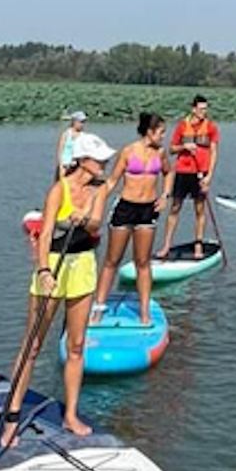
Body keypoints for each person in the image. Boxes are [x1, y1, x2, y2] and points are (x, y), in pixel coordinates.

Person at [4, 133, 116, 443]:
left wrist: (85, 217)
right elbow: (45, 232)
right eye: (100, 159)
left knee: (76, 346)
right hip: (53, 264)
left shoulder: (99, 189)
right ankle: (11, 415)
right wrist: (43, 271)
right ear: (83, 160)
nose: (105, 163)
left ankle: (70, 415)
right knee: (33, 345)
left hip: (82, 266)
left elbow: (96, 224)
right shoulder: (59, 189)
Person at [92, 113, 170, 319]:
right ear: (149, 132)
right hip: (126, 208)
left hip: (148, 210)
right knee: (112, 259)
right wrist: (94, 202)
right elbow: (112, 181)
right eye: (161, 132)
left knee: (142, 262)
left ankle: (144, 311)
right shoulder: (128, 151)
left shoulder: (161, 153)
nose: (163, 137)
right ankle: (98, 308)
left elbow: (168, 173)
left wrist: (165, 195)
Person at [157, 96, 220, 259]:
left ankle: (198, 245)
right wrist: (184, 147)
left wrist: (209, 176)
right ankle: (166, 245)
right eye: (201, 109)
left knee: (199, 209)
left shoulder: (211, 127)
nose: (203, 112)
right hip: (183, 171)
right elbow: (171, 149)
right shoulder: (182, 126)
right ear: (193, 109)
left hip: (200, 172)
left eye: (205, 109)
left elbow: (214, 152)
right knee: (175, 207)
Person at [55, 110, 87, 181]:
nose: (82, 124)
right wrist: (61, 166)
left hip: (76, 166)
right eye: (80, 122)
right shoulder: (66, 134)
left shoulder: (83, 136)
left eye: (83, 122)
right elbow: (60, 151)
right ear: (74, 122)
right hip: (65, 165)